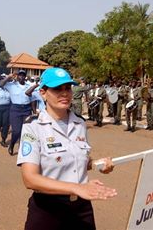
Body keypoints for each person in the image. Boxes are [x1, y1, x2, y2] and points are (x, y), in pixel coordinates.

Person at [16, 67, 117, 230]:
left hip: (81, 208)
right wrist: (77, 187)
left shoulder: (79, 122)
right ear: (43, 92)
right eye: (57, 89)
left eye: (67, 88)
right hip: (48, 209)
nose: (65, 93)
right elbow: (30, 179)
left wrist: (97, 164)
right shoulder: (33, 126)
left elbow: (75, 159)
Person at [0, 70, 36, 155]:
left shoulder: (29, 86)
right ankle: (11, 144)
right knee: (16, 131)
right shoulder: (11, 85)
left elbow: (33, 100)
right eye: (20, 75)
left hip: (27, 109)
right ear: (17, 76)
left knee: (25, 131)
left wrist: (34, 112)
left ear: (25, 77)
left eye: (23, 75)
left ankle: (21, 148)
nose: (21, 77)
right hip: (15, 109)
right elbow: (0, 84)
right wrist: (8, 76)